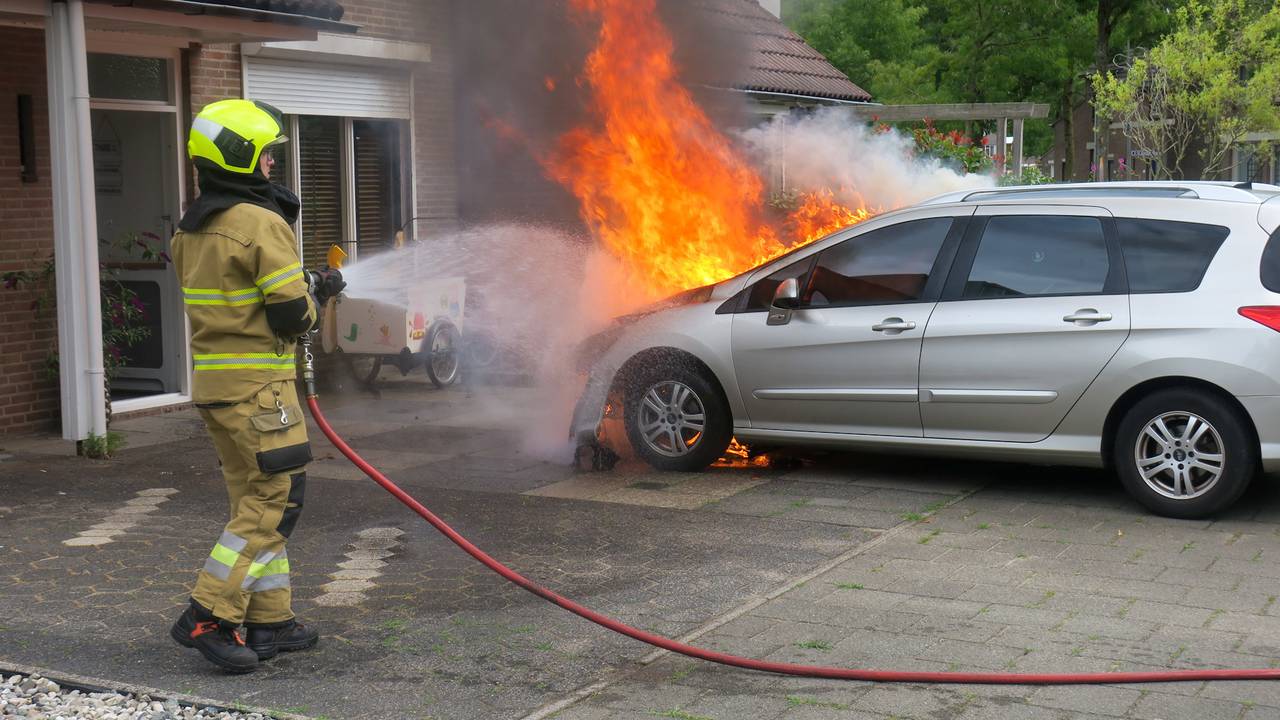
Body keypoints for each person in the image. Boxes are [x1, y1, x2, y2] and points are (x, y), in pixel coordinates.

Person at [168, 99, 345, 673]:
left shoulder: (190, 231)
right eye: (267, 153)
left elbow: (239, 299)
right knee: (275, 500)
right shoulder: (261, 223)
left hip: (218, 389)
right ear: (240, 156)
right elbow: (293, 316)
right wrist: (318, 293)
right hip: (261, 392)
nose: (272, 163)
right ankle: (208, 614)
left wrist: (304, 283)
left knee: (254, 499)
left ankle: (270, 623)